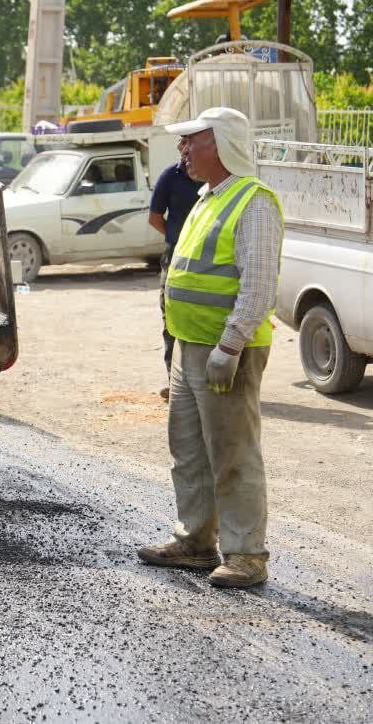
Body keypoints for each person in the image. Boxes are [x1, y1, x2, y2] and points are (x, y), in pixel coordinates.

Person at [137, 106, 283, 589]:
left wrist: (231, 344)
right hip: (190, 347)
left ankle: (246, 555)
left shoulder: (254, 203)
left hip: (225, 352)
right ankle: (195, 543)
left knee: (233, 453)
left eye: (191, 141)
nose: (182, 149)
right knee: (190, 451)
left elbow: (258, 286)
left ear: (218, 144)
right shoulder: (206, 197)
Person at [148, 156, 203, 399]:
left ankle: (206, 382)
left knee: (202, 319)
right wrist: (179, 238)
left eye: (189, 142)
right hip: (175, 256)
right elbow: (155, 218)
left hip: (207, 259)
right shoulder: (171, 175)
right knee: (171, 318)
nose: (185, 148)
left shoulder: (215, 179)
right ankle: (176, 383)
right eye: (182, 143)